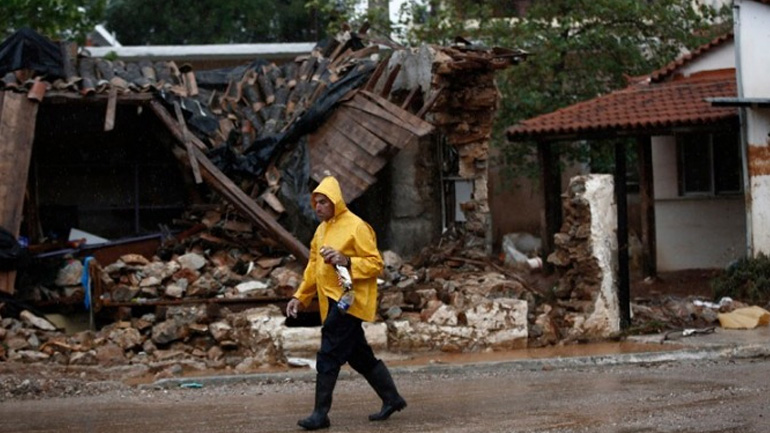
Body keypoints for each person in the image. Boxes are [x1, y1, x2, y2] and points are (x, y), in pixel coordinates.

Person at [286, 176, 407, 431]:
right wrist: (300, 296)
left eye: (323, 202)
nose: (318, 207)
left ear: (336, 202)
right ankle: (392, 398)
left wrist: (346, 259)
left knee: (329, 351)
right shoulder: (321, 230)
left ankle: (320, 414)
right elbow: (313, 268)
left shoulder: (356, 227)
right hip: (329, 300)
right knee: (358, 355)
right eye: (315, 202)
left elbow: (376, 264)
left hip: (349, 302)